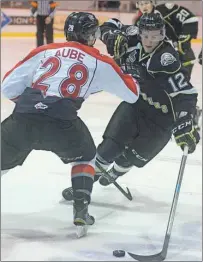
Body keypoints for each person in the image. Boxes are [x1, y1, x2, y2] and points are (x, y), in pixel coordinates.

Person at [1, 12, 140, 237]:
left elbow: (7, 86)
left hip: (23, 119)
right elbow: (133, 94)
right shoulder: (100, 61)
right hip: (63, 124)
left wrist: (34, 105)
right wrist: (129, 68)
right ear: (90, 34)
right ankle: (81, 211)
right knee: (86, 155)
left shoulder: (44, 51)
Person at [62, 13, 199, 200]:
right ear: (139, 32)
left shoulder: (166, 59)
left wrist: (185, 120)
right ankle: (85, 184)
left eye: (156, 36)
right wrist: (111, 34)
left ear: (163, 34)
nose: (150, 41)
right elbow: (109, 24)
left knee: (132, 157)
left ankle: (116, 172)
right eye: (146, 35)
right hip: (135, 104)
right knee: (108, 148)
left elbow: (185, 94)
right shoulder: (132, 36)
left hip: (162, 119)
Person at [133, 1, 198, 79]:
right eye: (141, 4)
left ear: (153, 3)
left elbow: (190, 19)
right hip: (161, 60)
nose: (144, 7)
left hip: (182, 57)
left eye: (146, 3)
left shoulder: (165, 10)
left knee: (179, 87)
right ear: (137, 5)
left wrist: (183, 40)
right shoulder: (139, 22)